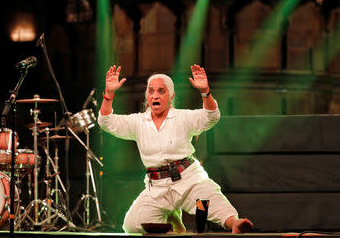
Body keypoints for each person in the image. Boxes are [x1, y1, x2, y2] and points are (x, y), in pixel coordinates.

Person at [98, 64, 253, 234]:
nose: (155, 95)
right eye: (151, 91)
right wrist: (109, 94)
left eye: (161, 91)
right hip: (156, 188)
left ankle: (234, 223)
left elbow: (211, 117)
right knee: (131, 225)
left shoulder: (183, 117)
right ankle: (172, 219)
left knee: (211, 200)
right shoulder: (137, 122)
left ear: (171, 96)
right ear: (147, 96)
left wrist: (205, 92)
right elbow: (106, 122)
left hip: (189, 180)